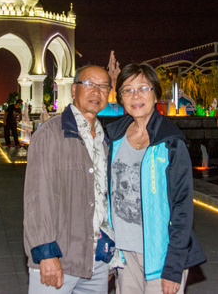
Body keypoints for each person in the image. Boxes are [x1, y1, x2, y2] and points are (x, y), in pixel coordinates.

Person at [107, 63, 206, 294]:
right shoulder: (114, 137)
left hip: (161, 255)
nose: (136, 96)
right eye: (128, 90)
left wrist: (174, 265)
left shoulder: (171, 142)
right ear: (120, 97)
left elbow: (182, 207)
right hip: (124, 253)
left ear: (156, 93)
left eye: (143, 88)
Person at [24, 65, 113, 293]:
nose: (96, 91)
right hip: (59, 259)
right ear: (74, 90)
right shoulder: (50, 134)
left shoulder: (104, 140)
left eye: (104, 86)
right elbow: (38, 198)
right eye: (89, 84)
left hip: (96, 261)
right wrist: (46, 253)